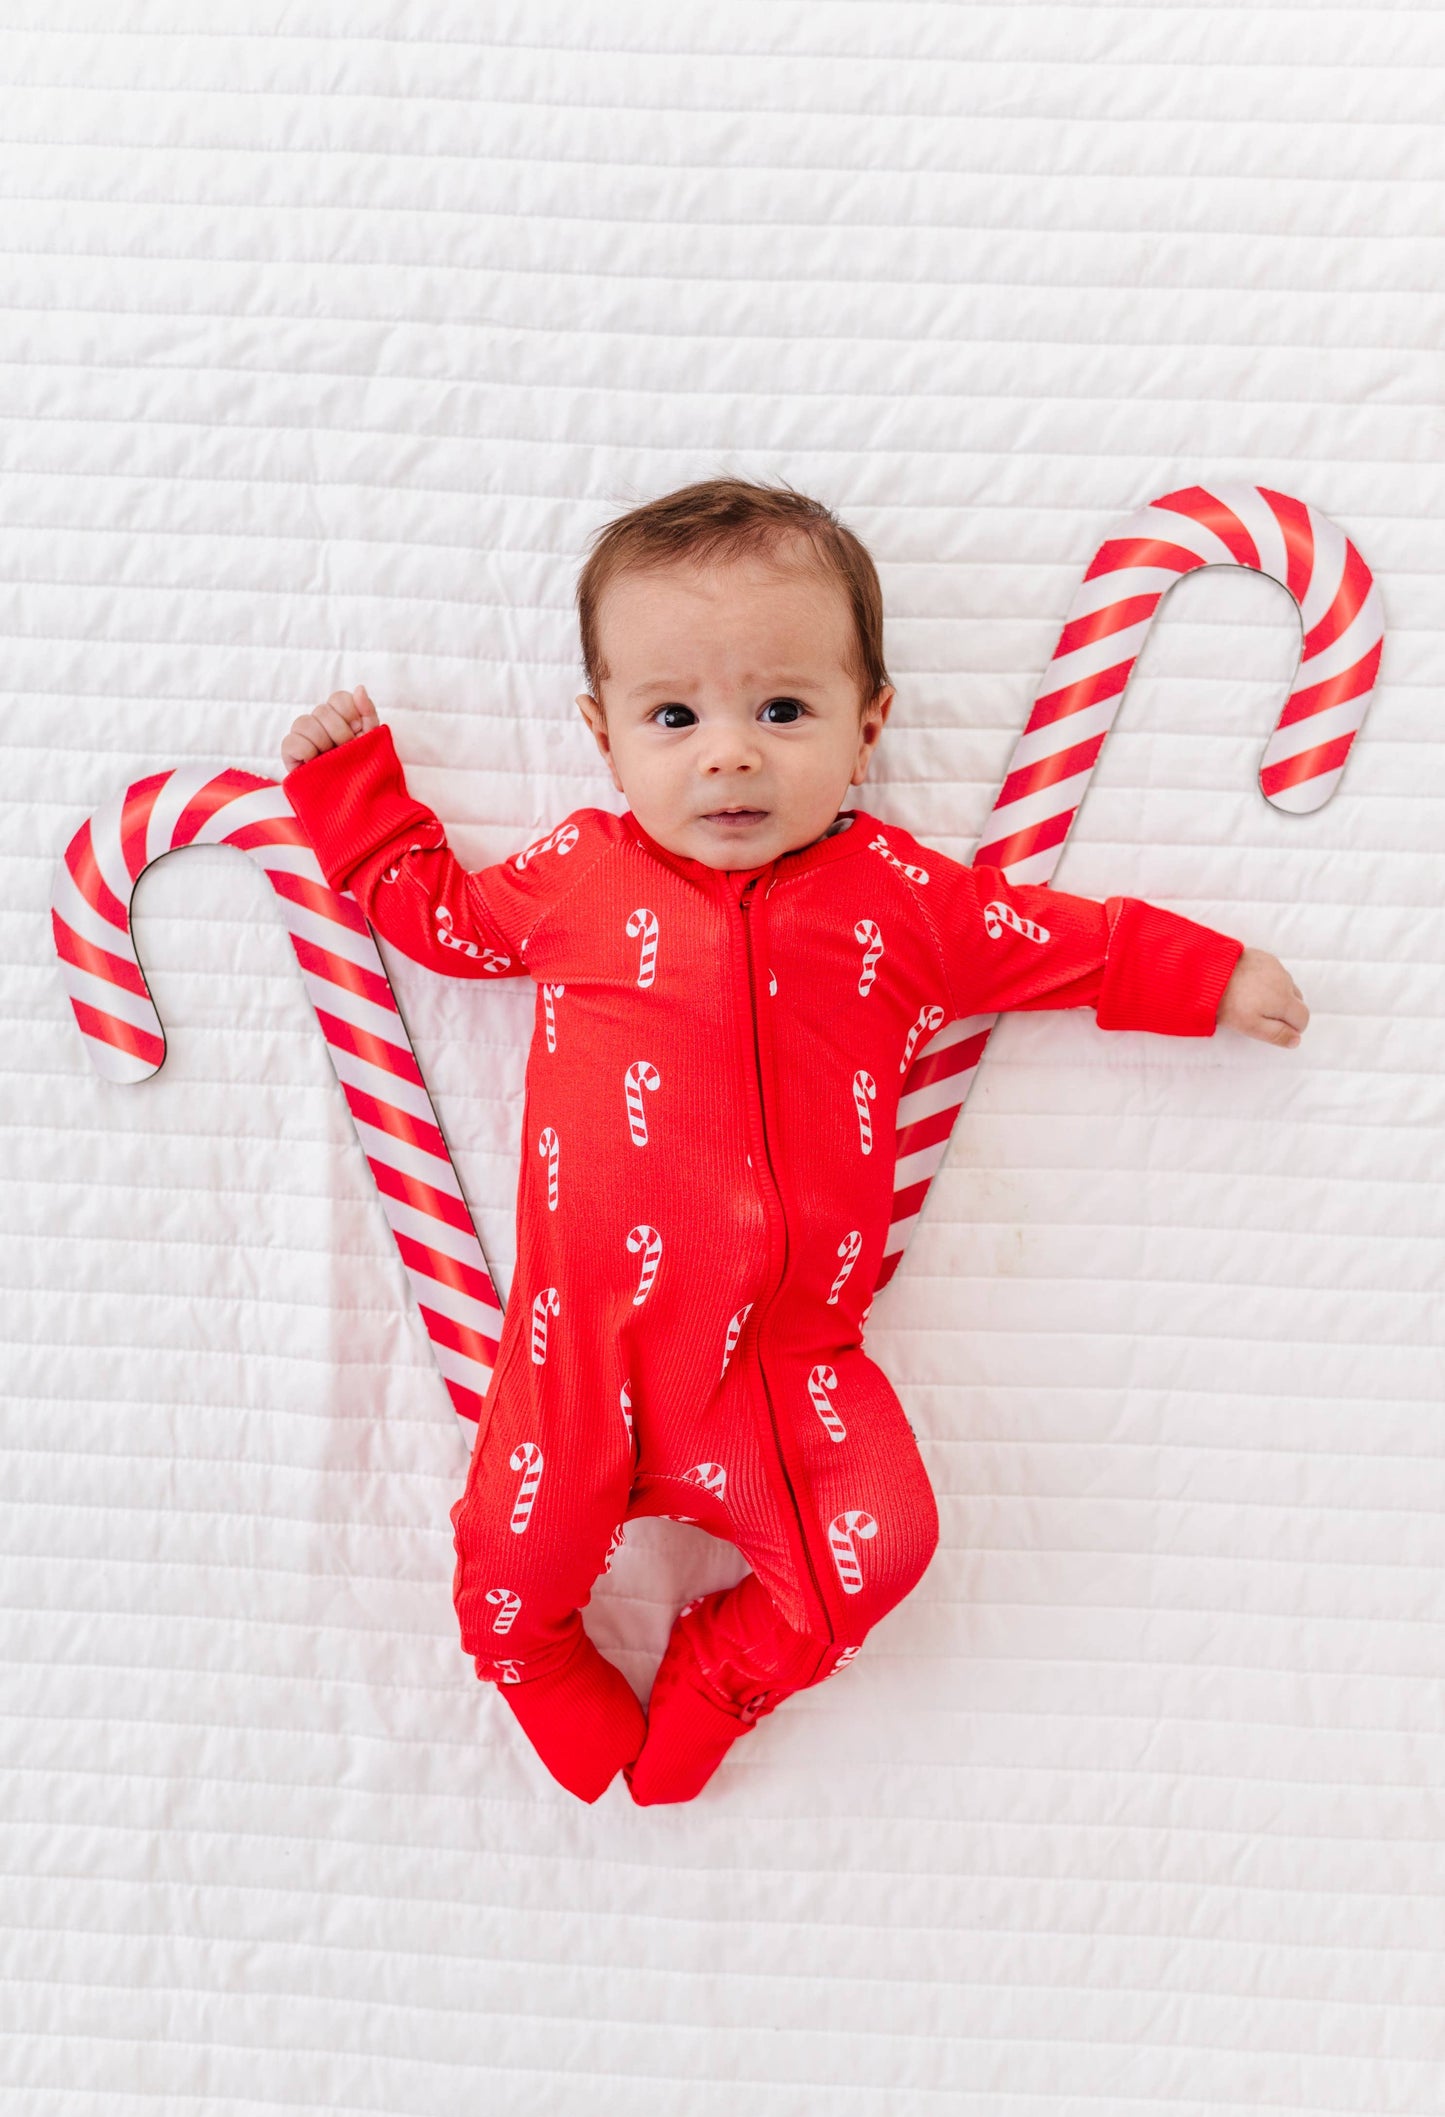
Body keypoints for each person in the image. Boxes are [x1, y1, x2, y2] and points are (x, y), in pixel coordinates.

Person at [279, 479, 1309, 1808]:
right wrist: (348, 790)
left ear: (866, 725)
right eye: (673, 717)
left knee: (879, 1550)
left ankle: (722, 1673)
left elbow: (1053, 943)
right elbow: (437, 921)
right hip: (578, 1346)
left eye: (781, 710)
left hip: (778, 1366)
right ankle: (529, 1658)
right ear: (603, 737)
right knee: (506, 1559)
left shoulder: (896, 898)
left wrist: (1206, 977)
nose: (729, 755)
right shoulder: (580, 878)